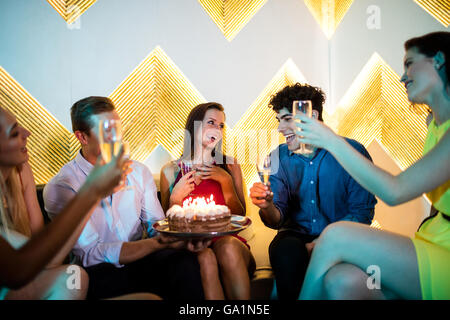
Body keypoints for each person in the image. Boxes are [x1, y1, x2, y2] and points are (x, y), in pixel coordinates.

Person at [297, 32, 450, 300]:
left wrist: (331, 141)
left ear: (438, 59)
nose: (402, 76)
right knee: (342, 280)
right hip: (431, 237)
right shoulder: (433, 124)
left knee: (335, 236)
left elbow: (395, 191)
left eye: (409, 63)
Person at [44, 96, 208, 300]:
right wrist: (160, 243)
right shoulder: (63, 186)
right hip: (95, 272)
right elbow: (89, 254)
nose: (118, 138)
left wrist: (180, 238)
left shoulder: (138, 171)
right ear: (82, 137)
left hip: (141, 258)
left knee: (184, 262)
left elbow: (156, 227)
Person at [249, 83, 377, 300]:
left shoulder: (352, 152)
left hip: (344, 236)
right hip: (294, 238)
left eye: (287, 119)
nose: (280, 128)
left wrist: (320, 245)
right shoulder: (276, 158)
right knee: (286, 250)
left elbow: (361, 214)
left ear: (312, 115)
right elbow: (275, 221)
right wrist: (267, 205)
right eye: (279, 121)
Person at [0, 105, 126, 299]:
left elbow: (48, 261)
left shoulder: (22, 171)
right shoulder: (63, 183)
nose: (27, 133)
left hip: (32, 278)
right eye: (14, 132)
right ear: (82, 137)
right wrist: (92, 190)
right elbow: (18, 271)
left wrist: (95, 194)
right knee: (76, 276)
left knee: (74, 276)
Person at [160, 102, 256, 300]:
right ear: (195, 126)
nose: (218, 129)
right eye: (211, 122)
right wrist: (175, 198)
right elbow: (165, 224)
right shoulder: (171, 171)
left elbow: (239, 217)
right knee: (205, 257)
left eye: (221, 125)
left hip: (228, 242)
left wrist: (225, 181)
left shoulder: (230, 165)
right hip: (190, 245)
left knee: (227, 248)